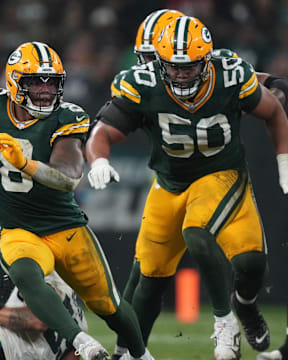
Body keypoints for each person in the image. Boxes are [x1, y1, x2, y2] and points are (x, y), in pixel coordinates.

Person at [85, 15, 288, 360]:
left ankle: (229, 319)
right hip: (169, 181)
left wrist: (278, 96)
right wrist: (98, 159)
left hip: (218, 174)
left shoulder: (224, 70)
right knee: (147, 273)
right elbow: (103, 129)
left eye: (187, 65)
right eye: (155, 59)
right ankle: (128, 352)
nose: (174, 72)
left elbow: (268, 91)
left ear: (203, 59)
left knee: (234, 253)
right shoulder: (141, 82)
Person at [0, 41, 153, 360]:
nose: (45, 89)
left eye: (52, 81)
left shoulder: (66, 116)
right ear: (13, 81)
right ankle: (82, 343)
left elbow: (69, 176)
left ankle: (142, 355)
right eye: (35, 81)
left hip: (66, 227)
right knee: (25, 272)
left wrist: (28, 165)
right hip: (19, 229)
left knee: (111, 307)